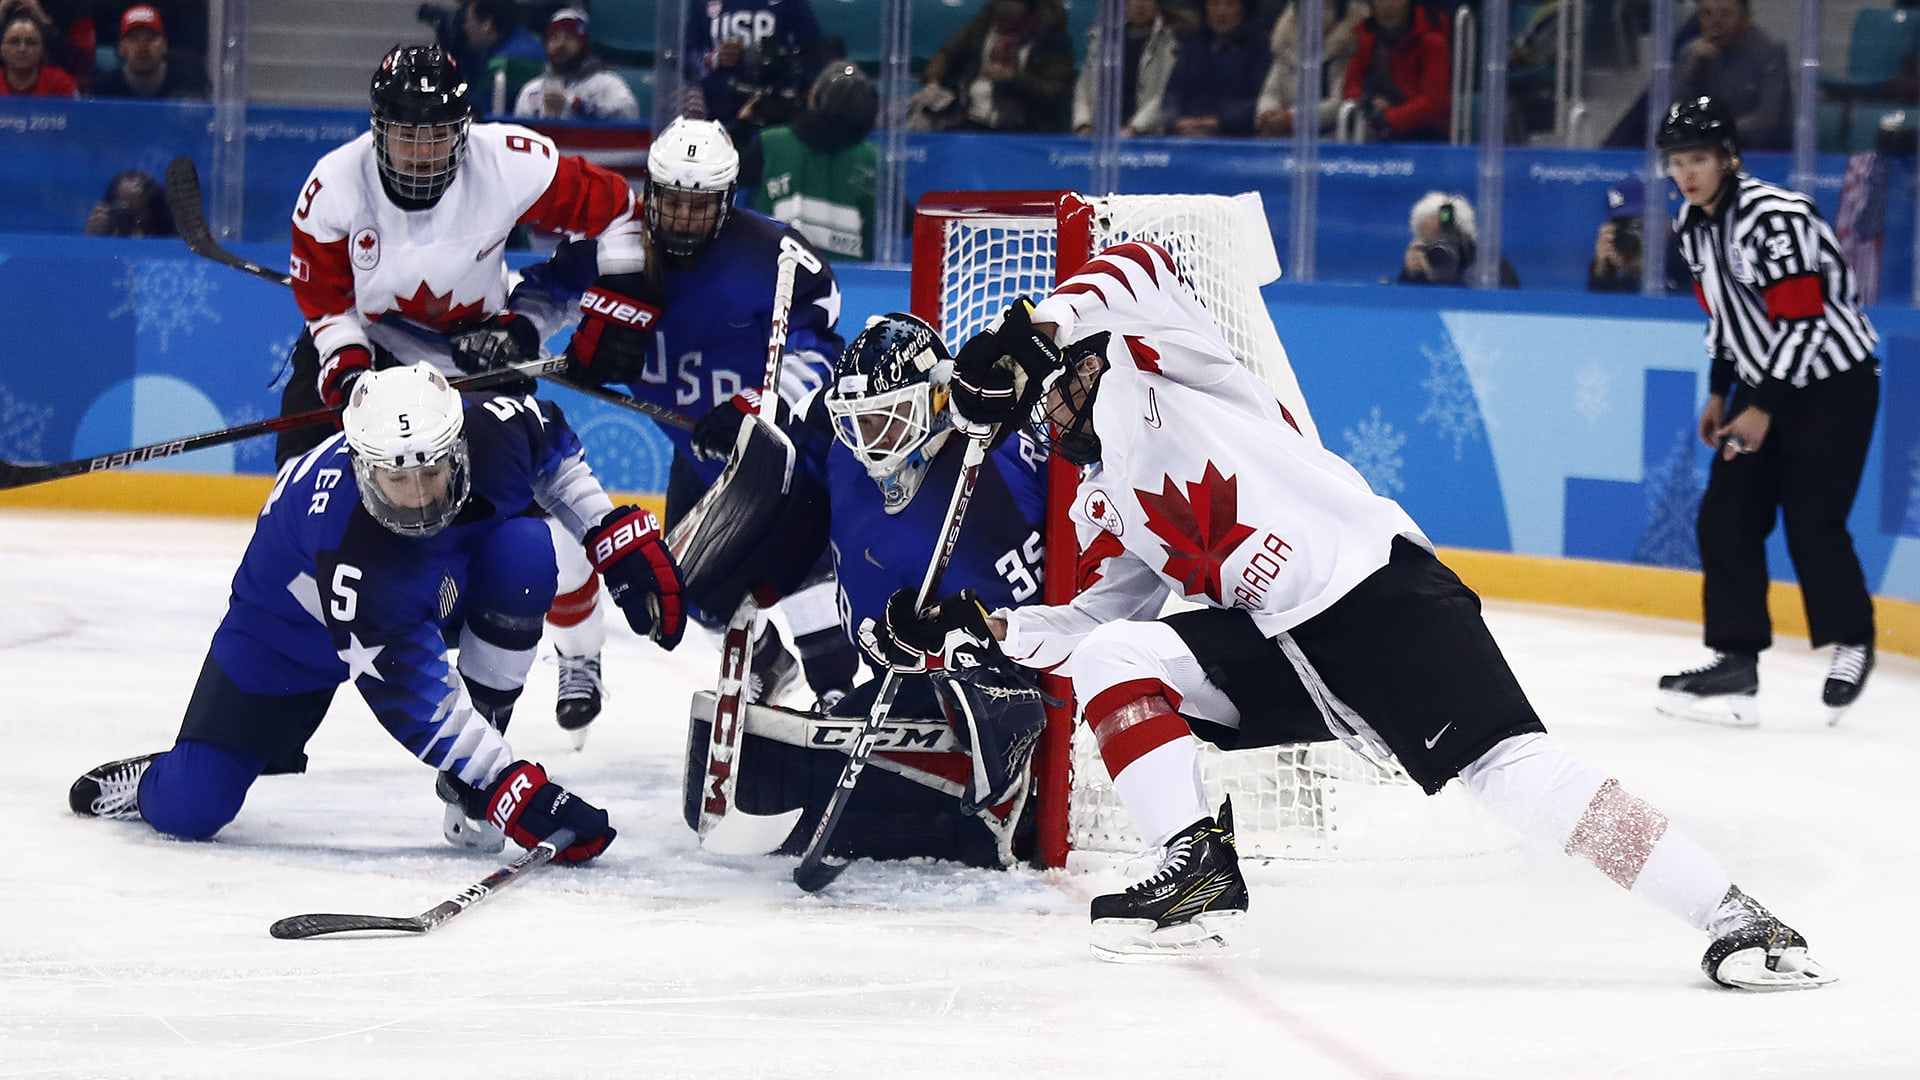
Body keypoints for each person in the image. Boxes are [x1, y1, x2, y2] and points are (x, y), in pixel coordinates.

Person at [863, 239, 1834, 988]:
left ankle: (1736, 915)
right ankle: (1195, 864)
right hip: (1289, 649)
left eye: (1053, 374)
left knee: (1520, 779)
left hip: (1377, 594)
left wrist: (1033, 327)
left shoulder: (1162, 363)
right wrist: (972, 630)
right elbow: (1088, 635)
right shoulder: (1104, 504)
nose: (1053, 400)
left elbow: (1143, 265)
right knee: (1121, 653)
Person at [67, 365, 686, 863]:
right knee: (196, 806)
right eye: (395, 480)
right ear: (364, 469)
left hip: (423, 585)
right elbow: (421, 705)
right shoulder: (353, 549)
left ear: (458, 448)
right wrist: (519, 790)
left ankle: (475, 768)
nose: (417, 498)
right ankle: (160, 780)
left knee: (524, 551)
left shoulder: (494, 427)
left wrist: (614, 536)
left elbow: (555, 452)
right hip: (286, 636)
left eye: (431, 473)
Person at [278, 44, 657, 734]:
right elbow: (328, 308)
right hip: (378, 352)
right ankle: (285, 678)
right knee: (302, 506)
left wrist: (532, 323)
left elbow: (620, 214)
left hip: (479, 356)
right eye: (405, 133)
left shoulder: (513, 161)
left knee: (529, 524)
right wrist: (353, 376)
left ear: (464, 130)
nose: (421, 152)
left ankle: (581, 652)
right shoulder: (332, 189)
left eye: (436, 134)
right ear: (376, 129)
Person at [677, 313, 1050, 866]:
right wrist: (753, 428)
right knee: (764, 768)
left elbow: (1095, 562)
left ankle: (994, 800)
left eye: (887, 422)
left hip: (1004, 692)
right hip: (898, 679)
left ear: (939, 399)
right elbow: (790, 449)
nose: (869, 443)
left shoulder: (1011, 459)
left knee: (803, 778)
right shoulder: (843, 455)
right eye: (857, 424)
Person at [553, 115, 859, 731]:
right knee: (692, 596)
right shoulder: (615, 254)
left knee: (805, 570)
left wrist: (758, 408)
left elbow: (821, 343)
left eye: (703, 205)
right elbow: (540, 293)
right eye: (674, 202)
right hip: (698, 462)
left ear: (726, 201)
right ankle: (770, 665)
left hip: (779, 455)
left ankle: (838, 699)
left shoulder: (772, 255)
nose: (686, 219)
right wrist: (521, 338)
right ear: (652, 193)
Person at [1654, 96, 1880, 726]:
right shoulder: (1690, 224)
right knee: (1726, 514)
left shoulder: (1774, 217)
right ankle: (1736, 660)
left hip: (1833, 385)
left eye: (1699, 158)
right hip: (1762, 387)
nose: (1688, 173)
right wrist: (1721, 393)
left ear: (1727, 158)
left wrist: (1761, 409)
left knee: (1814, 520)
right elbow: (1726, 320)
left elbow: (1804, 319)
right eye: (1677, 161)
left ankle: (1851, 641)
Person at [750, 62, 879, 262]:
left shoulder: (772, 143)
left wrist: (741, 126)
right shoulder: (872, 158)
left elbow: (724, 177)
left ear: (813, 97)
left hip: (774, 273)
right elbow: (903, 222)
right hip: (850, 284)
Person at [915, 0, 1076, 134]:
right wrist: (933, 80)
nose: (1001, 5)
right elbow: (947, 53)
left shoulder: (1053, 39)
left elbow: (1056, 91)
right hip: (971, 119)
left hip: (1025, 129)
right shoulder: (984, 24)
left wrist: (1014, 78)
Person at [684, 0, 825, 137]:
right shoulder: (702, 3)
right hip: (717, 116)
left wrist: (778, 59)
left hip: (774, 118)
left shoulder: (790, 3)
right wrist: (714, 59)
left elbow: (812, 55)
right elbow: (685, 58)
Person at [1672, 0, 1788, 152]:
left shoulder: (1770, 52)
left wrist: (1716, 131)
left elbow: (1767, 117)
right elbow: (1674, 110)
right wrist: (1690, 70)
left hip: (1760, 149)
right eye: (1707, 14)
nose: (1715, 23)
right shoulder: (1691, 53)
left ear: (1746, 19)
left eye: (1725, 14)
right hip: (1704, 148)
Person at [1255, 0, 1368, 136]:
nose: (1315, 14)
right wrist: (1267, 113)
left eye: (1325, 8)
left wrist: (1291, 118)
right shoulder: (1285, 46)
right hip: (1281, 135)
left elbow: (1339, 102)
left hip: (1329, 138)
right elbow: (1271, 91)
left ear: (1338, 14)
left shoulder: (1346, 50)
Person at [1070, 0, 1181, 137]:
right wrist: (1084, 124)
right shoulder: (1103, 37)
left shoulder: (1169, 42)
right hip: (1100, 135)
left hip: (1147, 138)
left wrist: (1134, 128)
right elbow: (1085, 86)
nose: (1141, 4)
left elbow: (1164, 94)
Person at [1339, 0, 1447, 141]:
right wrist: (1368, 102)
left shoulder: (1432, 39)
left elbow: (1435, 103)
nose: (1387, 4)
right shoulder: (1365, 36)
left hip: (1425, 140)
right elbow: (1351, 86)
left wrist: (1387, 117)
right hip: (1373, 130)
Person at [1161, 0, 1270, 138]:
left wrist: (1219, 122)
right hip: (1186, 137)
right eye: (1214, 4)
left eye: (1229, 4)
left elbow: (1262, 101)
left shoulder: (1260, 49)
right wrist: (1175, 120)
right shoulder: (1192, 46)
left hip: (1239, 140)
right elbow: (1173, 92)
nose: (1221, 12)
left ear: (1244, 9)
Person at [510, 7, 639, 122]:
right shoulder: (531, 90)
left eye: (569, 37)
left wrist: (577, 105)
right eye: (554, 38)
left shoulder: (606, 84)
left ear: (583, 44)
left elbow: (628, 116)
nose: (560, 44)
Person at [1396, 191, 1519, 287]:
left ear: (1465, 236)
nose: (1440, 247)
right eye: (1431, 241)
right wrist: (1410, 276)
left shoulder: (1490, 268)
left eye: (1445, 239)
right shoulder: (1418, 269)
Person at [90, 4, 206, 99]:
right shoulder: (103, 90)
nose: (142, 46)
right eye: (133, 38)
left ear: (164, 45)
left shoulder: (188, 84)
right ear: (121, 48)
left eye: (151, 37)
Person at [0, 10, 77, 96]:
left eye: (31, 42)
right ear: (2, 49)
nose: (22, 49)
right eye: (14, 42)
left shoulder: (61, 82)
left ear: (42, 50)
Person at [83, 169, 174, 237]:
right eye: (120, 209)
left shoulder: (171, 241)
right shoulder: (103, 235)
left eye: (136, 212)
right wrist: (92, 238)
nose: (126, 216)